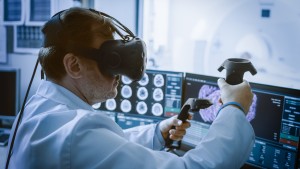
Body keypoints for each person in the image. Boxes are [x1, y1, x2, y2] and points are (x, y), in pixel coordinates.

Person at [7, 7, 255, 169]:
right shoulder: (77, 132)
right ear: (74, 65)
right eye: (112, 60)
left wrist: (157, 133)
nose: (121, 74)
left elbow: (105, 149)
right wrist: (234, 109)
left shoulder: (41, 108)